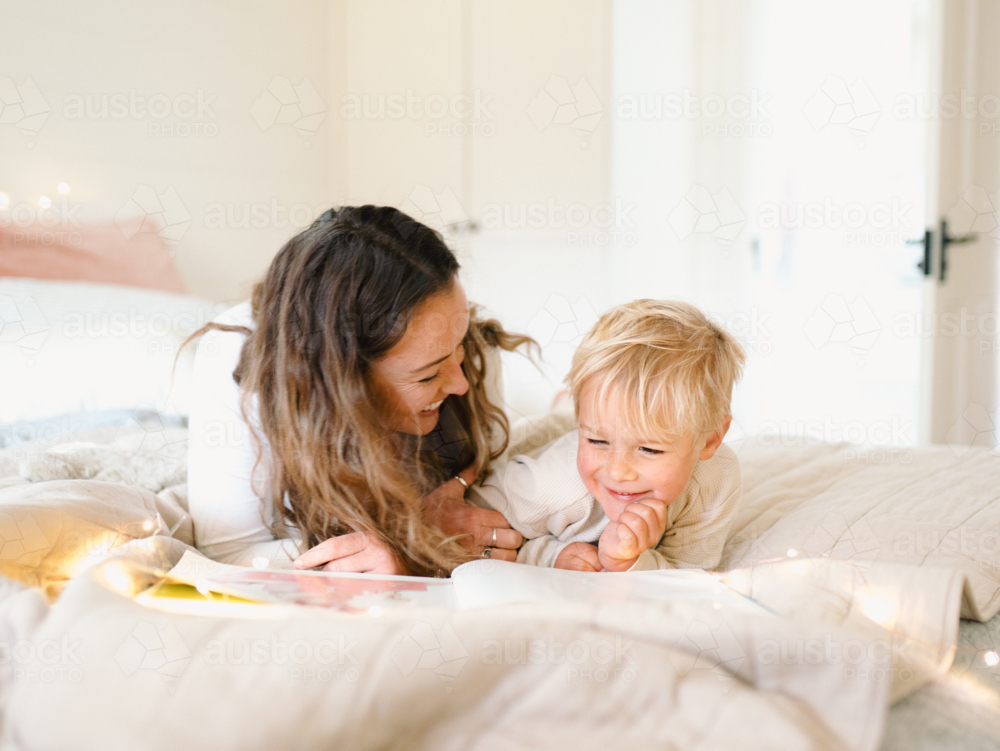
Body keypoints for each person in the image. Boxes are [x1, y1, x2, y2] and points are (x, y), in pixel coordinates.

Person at [185, 206, 534, 576]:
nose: (460, 383)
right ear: (344, 386)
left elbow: (485, 473)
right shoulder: (238, 362)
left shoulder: (465, 347)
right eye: (427, 377)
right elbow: (227, 553)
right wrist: (411, 543)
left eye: (460, 348)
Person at [468, 299, 745, 572]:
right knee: (556, 424)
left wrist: (629, 563)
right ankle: (566, 409)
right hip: (543, 441)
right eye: (598, 442)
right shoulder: (551, 485)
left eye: (649, 449)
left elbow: (688, 575)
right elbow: (471, 532)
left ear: (710, 440)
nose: (617, 471)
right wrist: (549, 555)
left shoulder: (716, 478)